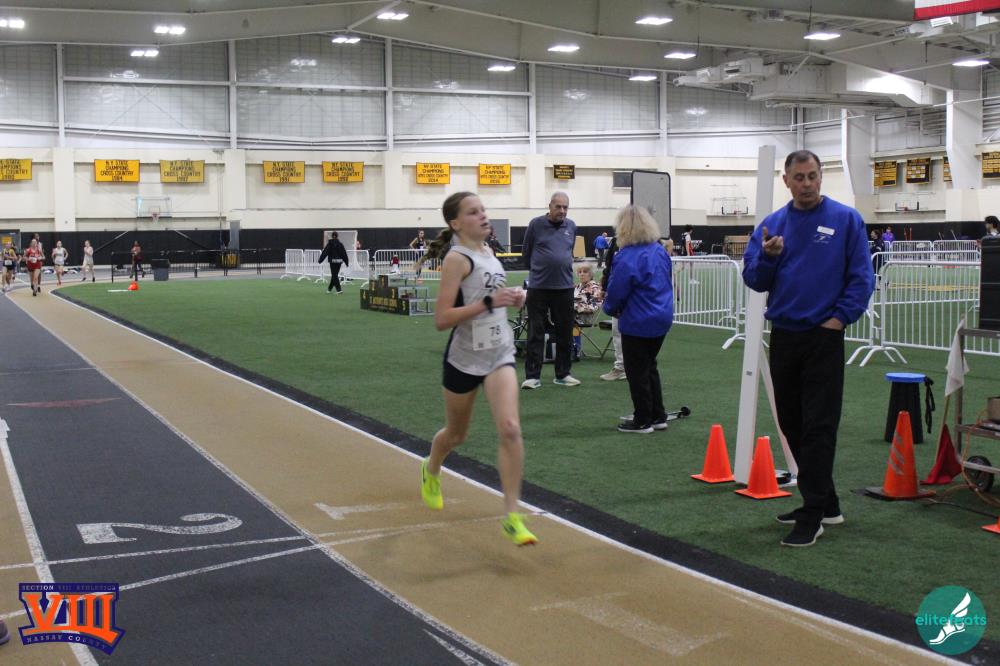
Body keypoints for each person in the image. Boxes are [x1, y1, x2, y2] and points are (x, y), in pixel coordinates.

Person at [742, 150, 874, 548]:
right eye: (798, 177)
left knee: (819, 426)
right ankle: (827, 504)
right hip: (785, 335)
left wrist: (839, 319)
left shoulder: (846, 219)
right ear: (786, 181)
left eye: (812, 176)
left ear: (820, 177)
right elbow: (754, 279)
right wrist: (768, 258)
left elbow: (861, 277)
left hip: (823, 338)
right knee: (792, 424)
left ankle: (813, 512)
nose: (806, 184)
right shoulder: (772, 225)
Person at [418, 191, 537, 546]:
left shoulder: (489, 252)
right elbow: (442, 319)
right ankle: (431, 468)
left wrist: (514, 298)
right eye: (473, 212)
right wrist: (489, 301)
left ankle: (512, 516)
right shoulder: (457, 258)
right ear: (456, 223)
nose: (483, 215)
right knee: (456, 435)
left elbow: (493, 299)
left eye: (483, 209)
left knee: (510, 428)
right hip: (464, 357)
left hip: (499, 353)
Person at [602, 205, 674, 434]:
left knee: (636, 371)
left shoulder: (626, 257)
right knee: (649, 366)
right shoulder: (659, 251)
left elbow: (616, 291)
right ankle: (657, 414)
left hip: (638, 320)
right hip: (662, 316)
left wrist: (609, 308)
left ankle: (642, 419)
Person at [520, 192, 579, 389]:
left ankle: (563, 374)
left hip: (564, 288)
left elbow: (568, 252)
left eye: (565, 207)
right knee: (535, 332)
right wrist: (539, 271)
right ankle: (532, 376)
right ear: (550, 206)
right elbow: (526, 253)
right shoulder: (535, 224)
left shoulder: (571, 226)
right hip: (538, 287)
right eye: (558, 207)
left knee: (565, 333)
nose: (562, 211)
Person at [599, 235, 627, 381]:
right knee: (617, 330)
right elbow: (609, 264)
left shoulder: (645, 240)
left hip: (637, 296)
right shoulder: (616, 240)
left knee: (637, 333)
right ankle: (621, 367)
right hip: (617, 293)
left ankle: (635, 367)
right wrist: (604, 286)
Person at [572, 263, 602, 361]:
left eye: (585, 272)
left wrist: (576, 307)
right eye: (580, 272)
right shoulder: (577, 287)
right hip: (574, 315)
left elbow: (594, 307)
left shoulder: (595, 288)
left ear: (591, 274)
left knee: (568, 319)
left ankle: (575, 349)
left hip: (586, 317)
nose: (582, 274)